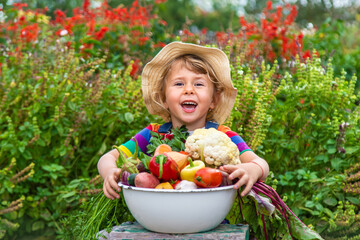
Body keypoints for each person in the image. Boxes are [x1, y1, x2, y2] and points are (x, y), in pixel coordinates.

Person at [97, 42, 269, 200]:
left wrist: (253, 169)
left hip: (210, 217)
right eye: (179, 84)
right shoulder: (152, 134)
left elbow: (261, 163)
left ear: (213, 100)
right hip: (158, 215)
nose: (188, 90)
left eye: (199, 84)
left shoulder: (223, 136)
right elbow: (107, 158)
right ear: (164, 99)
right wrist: (110, 172)